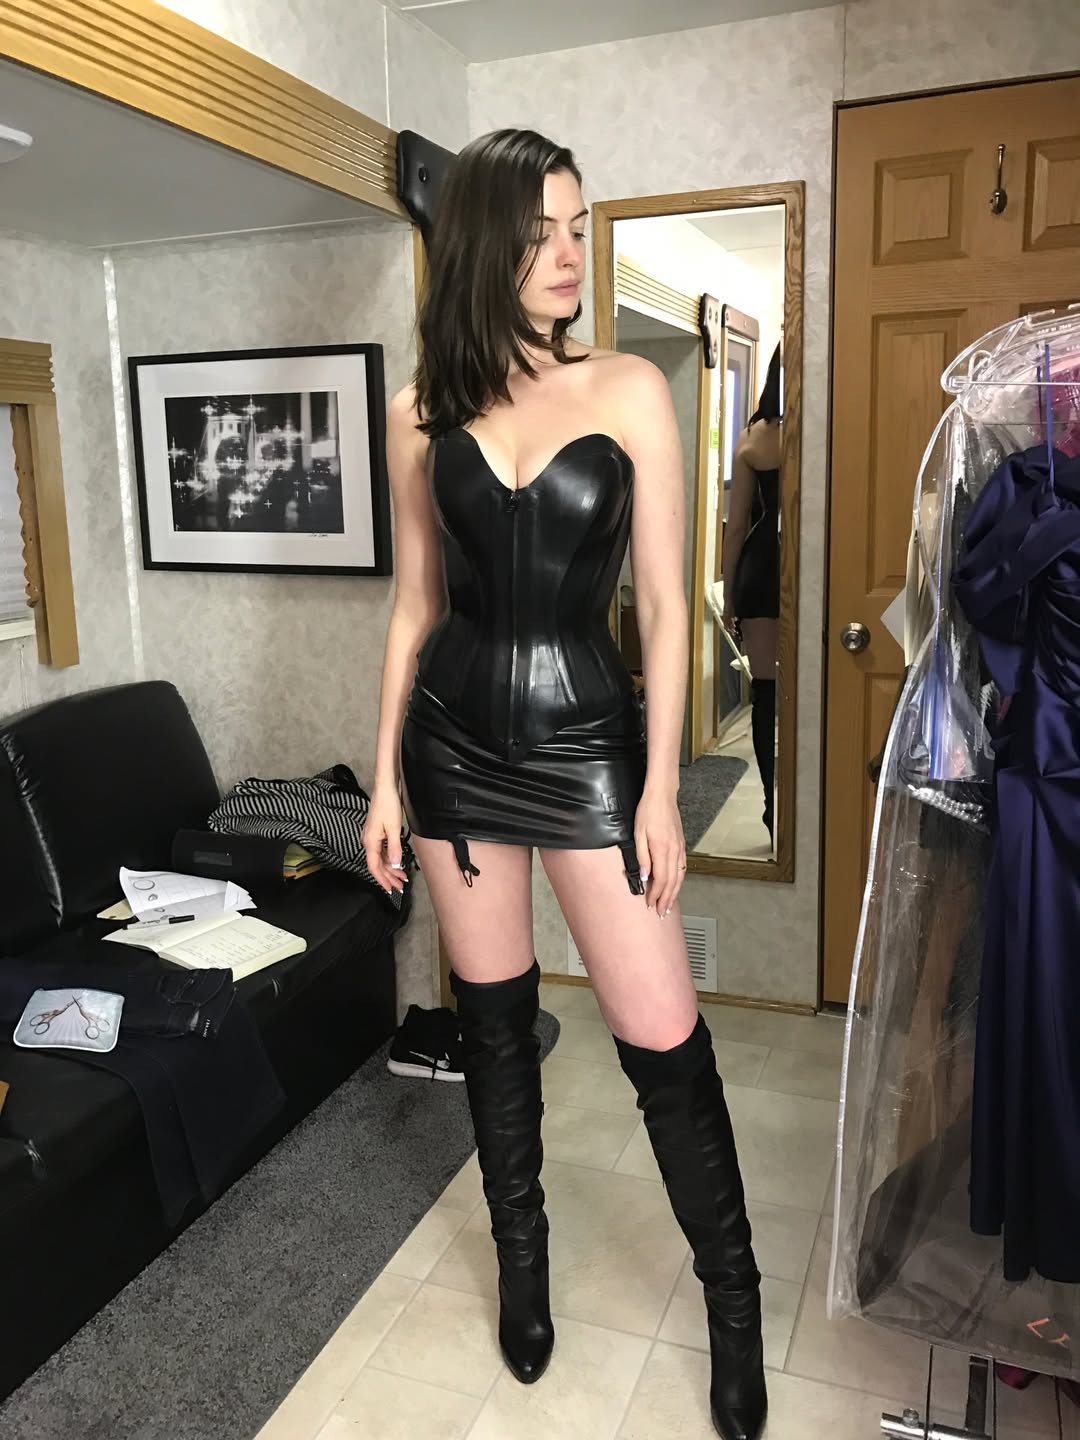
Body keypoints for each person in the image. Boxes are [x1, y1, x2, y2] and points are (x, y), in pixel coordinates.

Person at [360, 129, 766, 1440]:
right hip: (452, 750)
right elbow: (415, 607)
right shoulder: (419, 411)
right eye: (543, 231)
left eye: (580, 227)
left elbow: (666, 606)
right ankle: (522, 1269)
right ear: (487, 242)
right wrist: (384, 783)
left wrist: (657, 788)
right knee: (493, 1028)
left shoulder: (630, 387)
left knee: (663, 1043)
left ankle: (736, 1303)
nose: (570, 254)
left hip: (591, 748)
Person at [722, 345, 782, 841]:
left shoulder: (753, 437)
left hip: (761, 567)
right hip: (813, 565)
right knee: (816, 691)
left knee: (766, 692)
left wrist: (730, 598)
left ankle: (770, 804)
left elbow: (737, 527)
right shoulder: (826, 426)